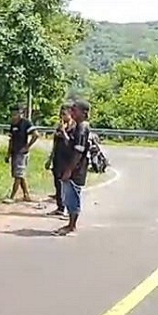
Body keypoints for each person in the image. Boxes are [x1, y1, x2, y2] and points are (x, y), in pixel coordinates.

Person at [54, 100, 92, 236]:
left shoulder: (82, 128)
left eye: (75, 110)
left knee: (72, 195)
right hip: (72, 167)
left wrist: (69, 170)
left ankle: (72, 226)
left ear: (84, 112)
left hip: (77, 169)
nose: (72, 113)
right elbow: (71, 144)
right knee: (69, 195)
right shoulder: (78, 126)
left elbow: (78, 151)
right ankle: (70, 223)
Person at [4, 105, 39, 203]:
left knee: (18, 175)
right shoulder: (13, 124)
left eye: (16, 113)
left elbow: (36, 134)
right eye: (12, 113)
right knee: (20, 174)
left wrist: (27, 146)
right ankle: (26, 194)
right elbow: (11, 140)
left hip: (21, 152)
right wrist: (8, 153)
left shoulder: (25, 123)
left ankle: (12, 196)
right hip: (14, 151)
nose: (14, 115)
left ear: (21, 113)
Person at [45, 104, 74, 217]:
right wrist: (50, 158)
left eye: (64, 114)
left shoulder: (73, 127)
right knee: (57, 183)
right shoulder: (59, 126)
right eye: (61, 114)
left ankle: (67, 208)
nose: (62, 117)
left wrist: (64, 132)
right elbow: (55, 144)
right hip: (58, 158)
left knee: (66, 184)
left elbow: (70, 143)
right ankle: (60, 207)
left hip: (67, 159)